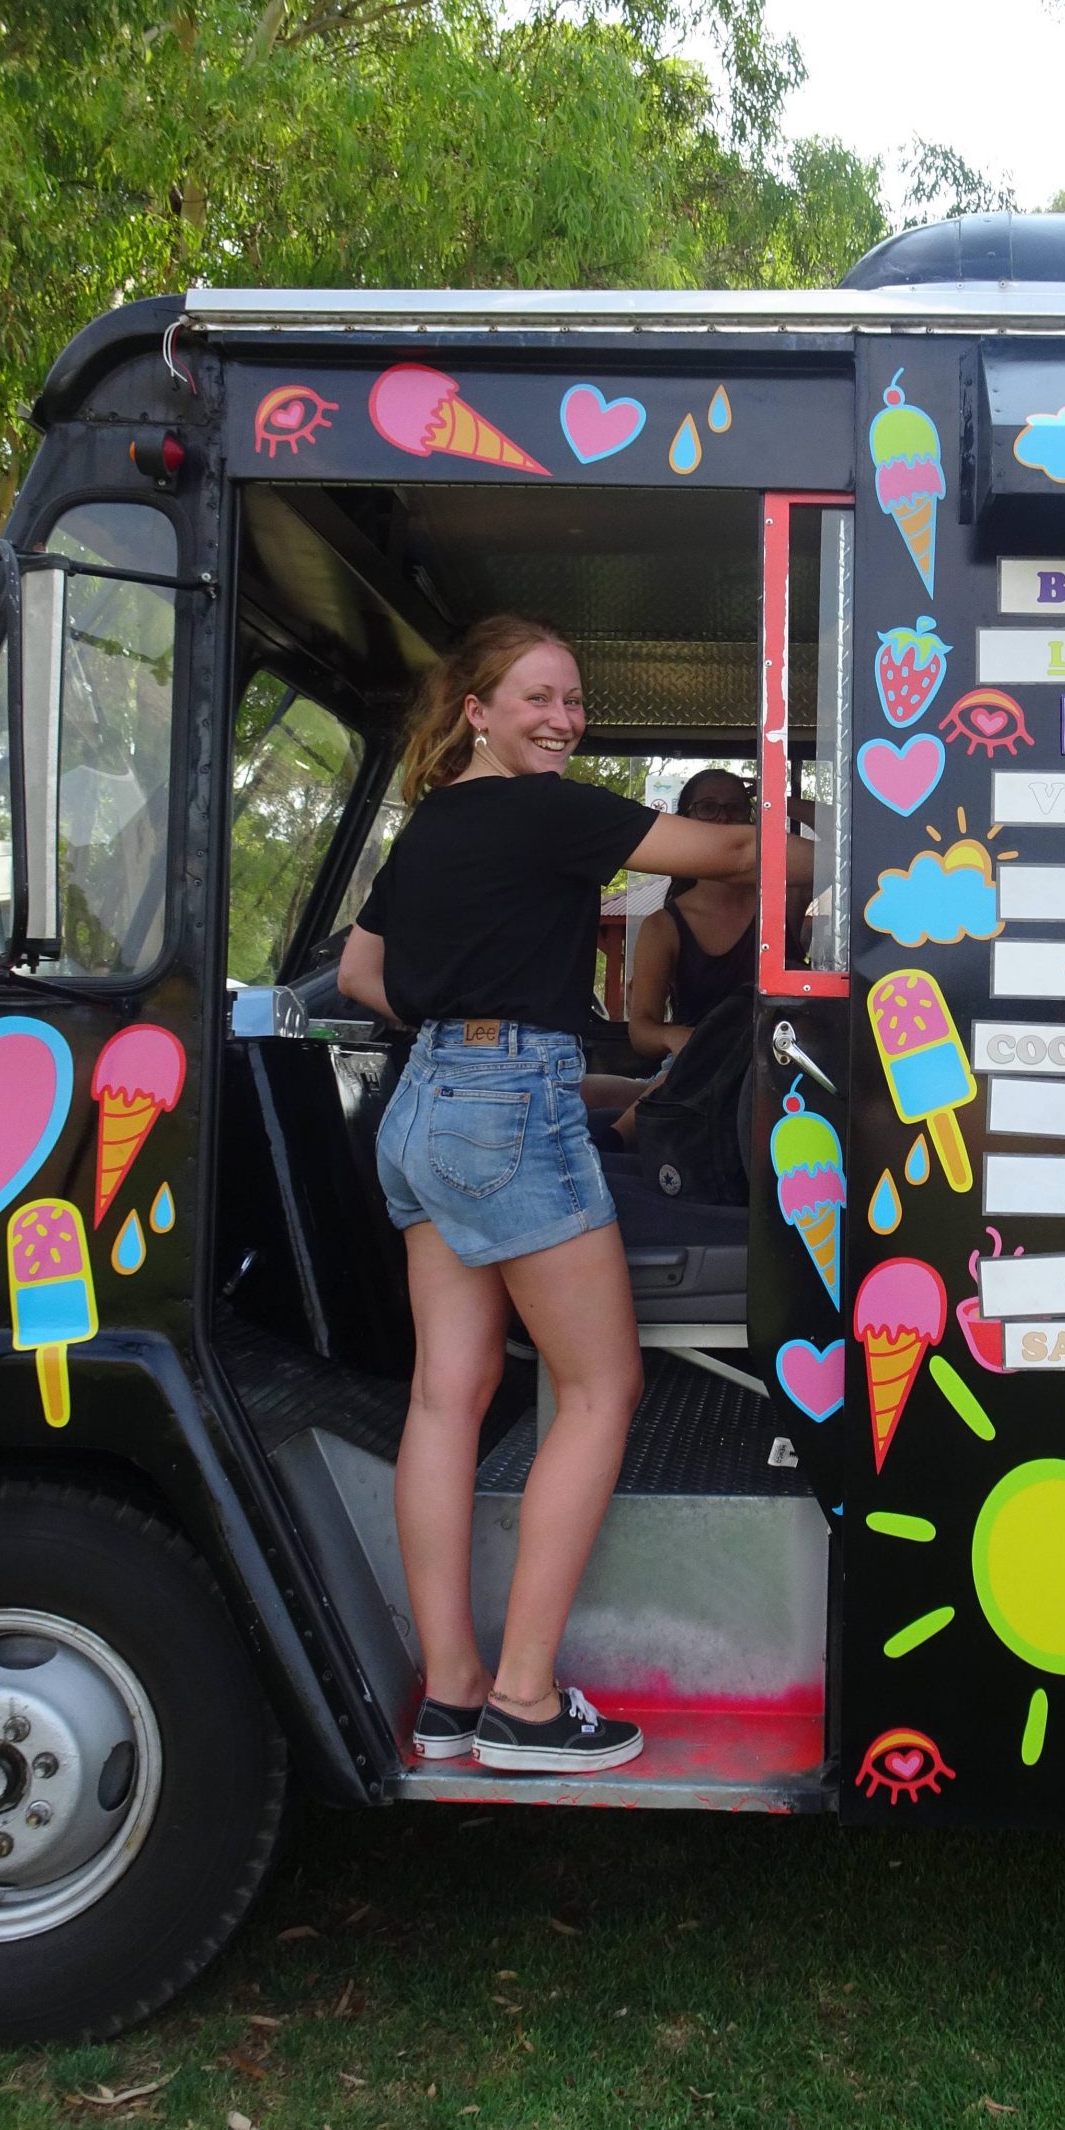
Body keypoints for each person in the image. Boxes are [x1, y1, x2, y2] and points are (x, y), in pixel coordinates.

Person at [336, 616, 808, 1774]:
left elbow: (358, 972)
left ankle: (451, 1693)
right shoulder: (546, 811)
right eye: (538, 698)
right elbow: (732, 853)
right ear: (477, 712)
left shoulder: (430, 825)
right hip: (505, 1107)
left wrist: (462, 1028)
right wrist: (844, 829)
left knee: (447, 1395)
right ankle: (527, 1703)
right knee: (602, 1387)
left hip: (421, 1104)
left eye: (574, 700)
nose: (563, 719)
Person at [624, 766, 756, 1065]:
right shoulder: (663, 927)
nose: (723, 818)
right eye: (707, 808)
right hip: (698, 1070)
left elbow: (844, 849)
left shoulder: (785, 900)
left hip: (779, 1066)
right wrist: (675, 1037)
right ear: (685, 821)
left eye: (735, 808)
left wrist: (778, 799)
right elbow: (641, 1031)